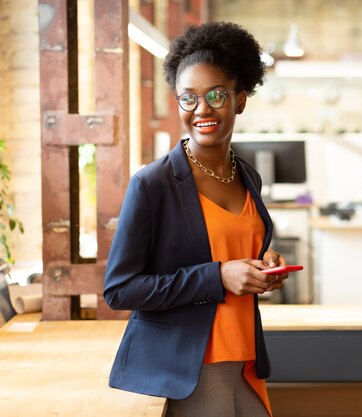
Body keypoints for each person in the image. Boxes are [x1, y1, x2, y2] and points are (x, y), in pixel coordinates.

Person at [103, 21, 288, 417]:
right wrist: (218, 276)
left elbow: (232, 247)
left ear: (240, 100)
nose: (202, 109)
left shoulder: (247, 175)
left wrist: (263, 264)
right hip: (191, 370)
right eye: (189, 98)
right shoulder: (152, 184)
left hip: (247, 362)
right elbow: (120, 290)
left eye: (216, 95)